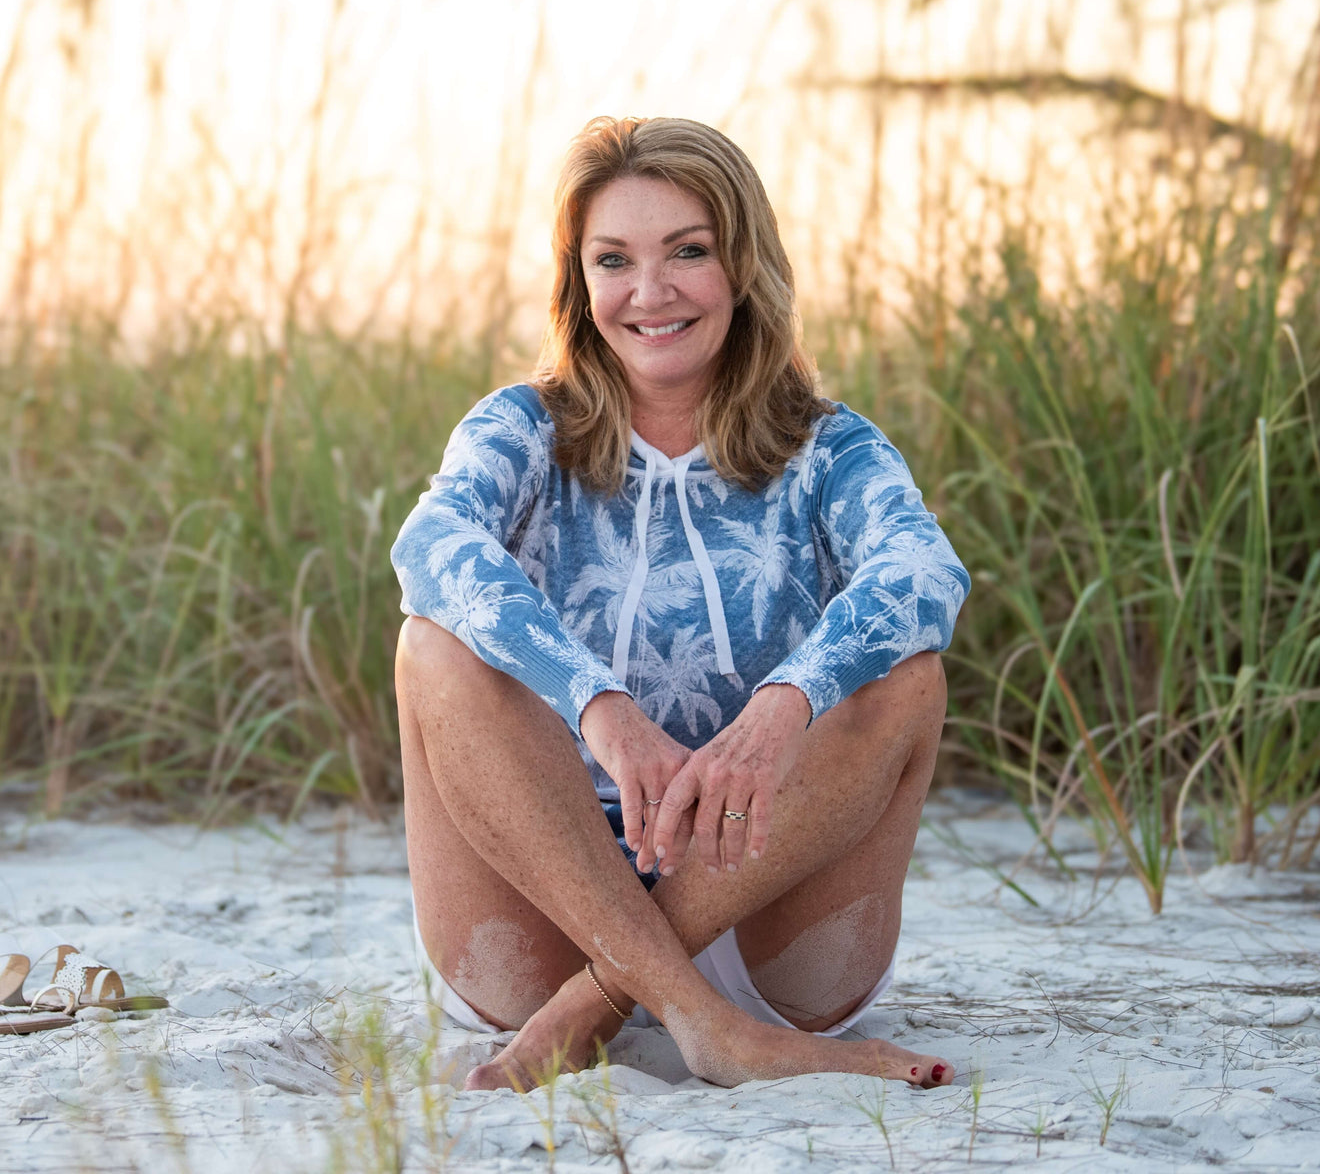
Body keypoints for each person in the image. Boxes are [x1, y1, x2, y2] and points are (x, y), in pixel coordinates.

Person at [390, 116, 970, 1092]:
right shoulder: (521, 428)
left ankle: (603, 1002)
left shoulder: (829, 446)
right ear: (579, 281)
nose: (648, 292)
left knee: (905, 676)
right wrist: (598, 705)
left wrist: (783, 701)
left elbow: (921, 567)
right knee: (433, 645)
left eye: (686, 252)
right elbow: (431, 548)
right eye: (612, 259)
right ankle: (706, 1024)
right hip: (542, 909)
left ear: (742, 265)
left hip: (766, 913)